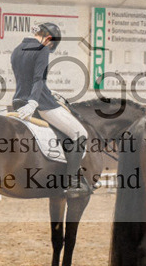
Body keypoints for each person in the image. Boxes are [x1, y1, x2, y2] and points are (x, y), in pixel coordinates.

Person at [10, 22, 91, 198]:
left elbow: (26, 79)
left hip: (17, 101)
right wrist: (34, 101)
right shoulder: (42, 49)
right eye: (51, 44)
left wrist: (47, 92)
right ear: (48, 39)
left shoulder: (17, 49)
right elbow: (38, 79)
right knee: (80, 133)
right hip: (39, 103)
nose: (50, 46)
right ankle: (73, 183)